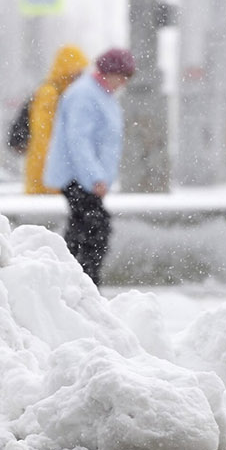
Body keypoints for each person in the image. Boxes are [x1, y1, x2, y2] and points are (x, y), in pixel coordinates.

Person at [42, 48, 135, 285]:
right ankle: (83, 282)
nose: (124, 83)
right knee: (95, 230)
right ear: (110, 72)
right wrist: (95, 178)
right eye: (122, 76)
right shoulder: (85, 95)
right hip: (77, 177)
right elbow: (79, 140)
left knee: (83, 230)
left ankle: (73, 282)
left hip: (85, 177)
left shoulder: (100, 94)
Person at [23, 44, 89, 194]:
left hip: (56, 170)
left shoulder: (66, 93)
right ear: (66, 68)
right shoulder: (50, 93)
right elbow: (42, 136)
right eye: (76, 69)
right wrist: (51, 168)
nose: (79, 74)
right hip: (45, 171)